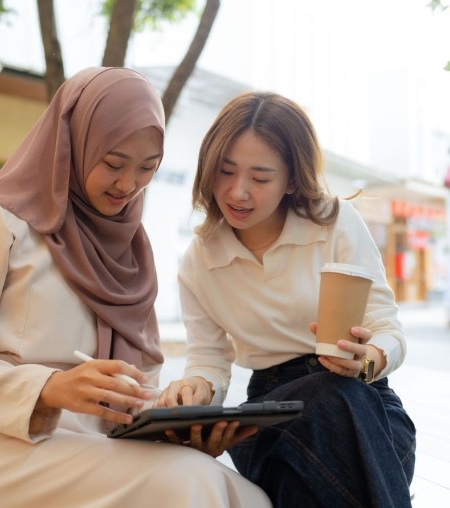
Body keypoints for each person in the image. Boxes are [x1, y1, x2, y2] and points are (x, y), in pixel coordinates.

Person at [0, 67, 271, 508]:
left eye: (147, 169)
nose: (128, 185)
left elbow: (137, 385)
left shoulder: (130, 248)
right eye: (113, 163)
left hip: (96, 449)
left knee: (245, 494)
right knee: (191, 486)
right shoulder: (1, 221)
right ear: (74, 143)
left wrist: (172, 425)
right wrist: (49, 388)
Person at [159, 91, 416, 507]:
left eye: (260, 178)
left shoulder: (335, 225)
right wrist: (194, 388)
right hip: (269, 414)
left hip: (369, 413)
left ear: (292, 179)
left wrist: (367, 359)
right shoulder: (200, 261)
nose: (238, 192)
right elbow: (208, 359)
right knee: (322, 413)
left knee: (335, 398)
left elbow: (389, 330)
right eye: (225, 172)